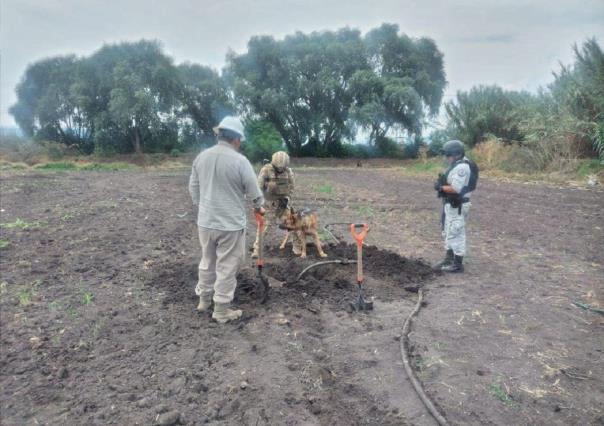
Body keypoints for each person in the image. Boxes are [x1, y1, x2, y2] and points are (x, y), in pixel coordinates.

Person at [188, 116, 265, 323]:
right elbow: (254, 192)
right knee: (227, 265)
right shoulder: (240, 161)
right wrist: (259, 207)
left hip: (205, 222)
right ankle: (221, 309)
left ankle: (204, 300)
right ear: (237, 139)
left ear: (219, 135)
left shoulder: (201, 157)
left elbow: (193, 188)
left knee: (208, 260)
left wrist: (204, 207)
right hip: (230, 224)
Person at [434, 140, 477, 273]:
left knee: (456, 232)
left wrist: (441, 187)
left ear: (456, 154)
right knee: (448, 231)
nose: (446, 158)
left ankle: (457, 264)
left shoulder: (462, 167)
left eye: (448, 155)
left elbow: (456, 188)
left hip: (457, 205)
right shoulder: (457, 165)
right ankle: (448, 259)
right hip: (451, 204)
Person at [252, 151, 302, 257]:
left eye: (283, 167)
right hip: (269, 204)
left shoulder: (288, 172)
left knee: (293, 225)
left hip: (283, 204)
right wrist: (258, 204)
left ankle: (297, 247)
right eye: (278, 167)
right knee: (263, 228)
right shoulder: (266, 170)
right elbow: (258, 188)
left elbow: (291, 187)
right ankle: (257, 249)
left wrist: (287, 199)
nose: (280, 169)